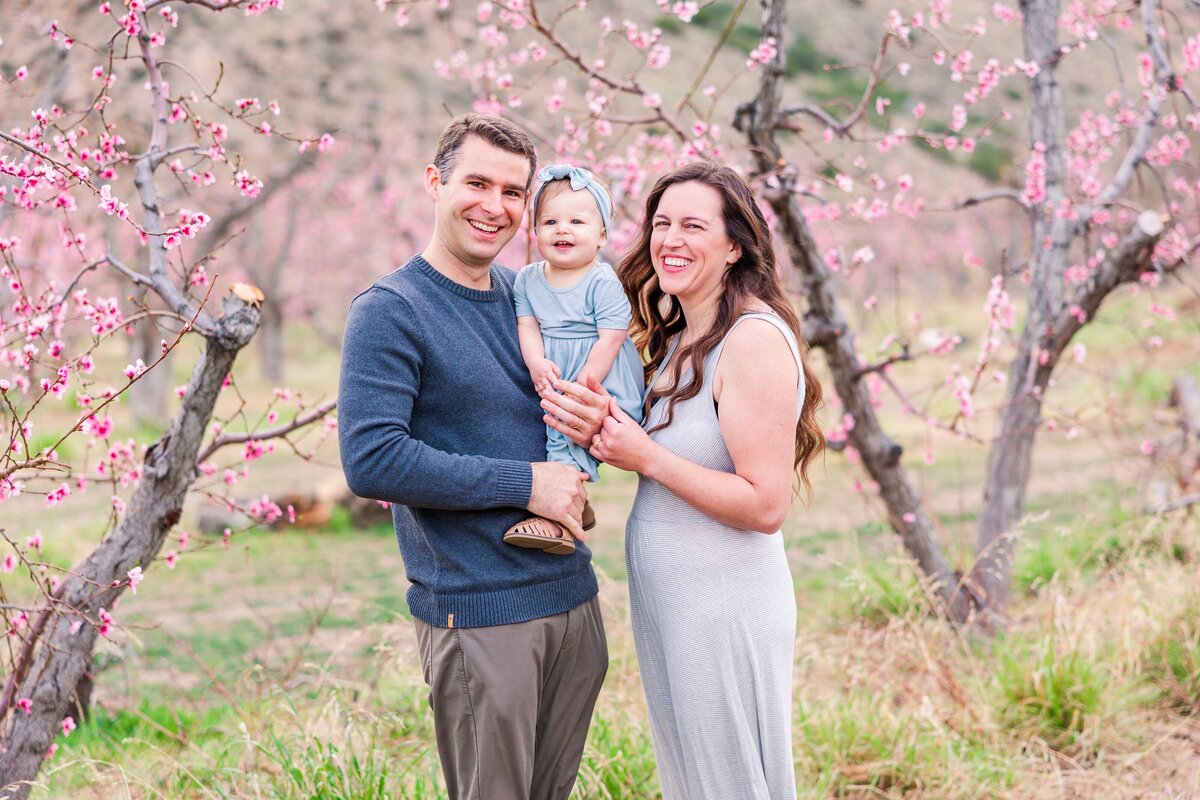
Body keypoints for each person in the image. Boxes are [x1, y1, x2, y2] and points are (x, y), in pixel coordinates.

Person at [337, 113, 613, 800]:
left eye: (514, 192)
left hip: (572, 600)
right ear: (435, 182)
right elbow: (373, 459)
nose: (495, 206)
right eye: (477, 182)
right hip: (483, 617)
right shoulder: (391, 310)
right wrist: (527, 483)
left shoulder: (529, 299)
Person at [587, 161, 824, 799]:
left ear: (734, 247)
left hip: (723, 606)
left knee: (730, 784)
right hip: (674, 602)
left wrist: (645, 455)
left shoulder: (750, 341)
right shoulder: (676, 341)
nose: (670, 239)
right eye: (662, 223)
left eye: (693, 225)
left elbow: (766, 503)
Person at [505, 164, 645, 555]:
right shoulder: (528, 278)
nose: (562, 230)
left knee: (568, 428)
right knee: (550, 429)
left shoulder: (601, 280)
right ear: (535, 231)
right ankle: (574, 503)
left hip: (598, 368)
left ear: (601, 235)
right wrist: (535, 362)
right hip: (552, 366)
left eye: (577, 221)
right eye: (549, 221)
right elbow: (528, 324)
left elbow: (612, 335)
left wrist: (587, 381)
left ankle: (560, 521)